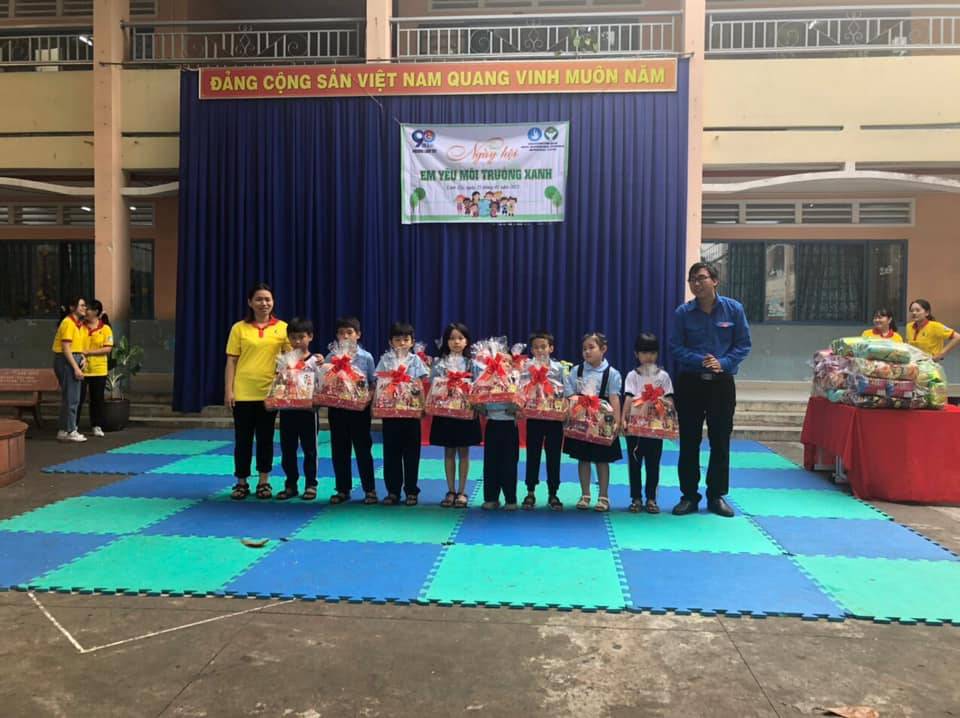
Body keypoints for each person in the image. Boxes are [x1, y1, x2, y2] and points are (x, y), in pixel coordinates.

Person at [669, 262, 752, 518]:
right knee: (689, 441)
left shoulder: (734, 309)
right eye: (692, 279)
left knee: (720, 441)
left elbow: (744, 345)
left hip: (721, 384)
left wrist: (723, 363)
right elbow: (675, 347)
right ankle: (688, 496)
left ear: (715, 280)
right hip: (690, 383)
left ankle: (716, 496)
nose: (696, 283)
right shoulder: (683, 313)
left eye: (701, 278)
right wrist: (701, 361)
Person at [225, 282, 290, 500]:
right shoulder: (239, 328)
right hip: (243, 392)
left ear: (273, 302)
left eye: (267, 299)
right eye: (259, 299)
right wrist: (228, 391)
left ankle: (264, 481)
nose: (264, 303)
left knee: (265, 438)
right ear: (250, 303)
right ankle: (241, 482)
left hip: (269, 394)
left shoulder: (283, 328)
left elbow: (293, 359)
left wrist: (315, 359)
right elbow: (231, 361)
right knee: (242, 439)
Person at [563, 332, 623, 513]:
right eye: (584, 349)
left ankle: (603, 496)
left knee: (602, 460)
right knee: (583, 458)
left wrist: (617, 422)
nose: (587, 352)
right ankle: (585, 494)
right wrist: (570, 412)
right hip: (581, 419)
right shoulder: (577, 370)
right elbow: (570, 394)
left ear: (603, 349)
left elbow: (614, 399)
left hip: (602, 421)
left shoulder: (611, 373)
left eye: (591, 347)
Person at [327, 316, 378, 505]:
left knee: (363, 449)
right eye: (341, 333)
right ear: (336, 336)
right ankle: (342, 489)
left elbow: (373, 383)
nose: (346, 336)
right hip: (337, 410)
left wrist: (368, 400)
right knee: (339, 450)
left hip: (359, 411)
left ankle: (369, 490)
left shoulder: (366, 357)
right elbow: (324, 381)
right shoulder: (331, 357)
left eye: (350, 332)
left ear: (358, 335)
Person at [430, 322, 482, 508]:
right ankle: (450, 490)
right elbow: (433, 385)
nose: (456, 342)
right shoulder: (439, 363)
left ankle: (462, 491)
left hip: (465, 412)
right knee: (449, 451)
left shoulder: (472, 364)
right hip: (445, 413)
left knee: (464, 452)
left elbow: (479, 386)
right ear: (446, 341)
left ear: (467, 341)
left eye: (460, 338)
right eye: (452, 338)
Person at [377, 321, 429, 506]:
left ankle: (411, 491)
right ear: (390, 342)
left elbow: (420, 385)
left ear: (412, 342)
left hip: (411, 414)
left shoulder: (415, 361)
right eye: (397, 340)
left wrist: (423, 406)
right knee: (391, 453)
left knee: (412, 454)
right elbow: (380, 384)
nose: (402, 343)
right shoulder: (385, 360)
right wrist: (377, 405)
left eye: (406, 339)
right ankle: (393, 491)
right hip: (391, 414)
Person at [622, 333, 673, 514]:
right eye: (644, 353)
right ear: (636, 354)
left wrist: (659, 401)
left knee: (653, 464)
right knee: (634, 464)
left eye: (652, 353)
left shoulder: (663, 376)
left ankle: (651, 498)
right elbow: (628, 398)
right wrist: (623, 419)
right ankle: (636, 498)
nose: (648, 357)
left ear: (657, 354)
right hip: (635, 428)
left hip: (655, 429)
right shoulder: (632, 376)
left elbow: (670, 401)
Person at [274, 317, 323, 502]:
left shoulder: (315, 361)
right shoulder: (284, 360)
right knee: (288, 449)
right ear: (288, 339)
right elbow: (278, 383)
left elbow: (321, 385)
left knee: (310, 449)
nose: (297, 341)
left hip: (308, 412)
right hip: (287, 411)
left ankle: (311, 484)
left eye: (301, 337)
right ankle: (290, 485)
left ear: (310, 337)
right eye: (293, 338)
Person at [521, 330, 566, 511]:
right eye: (536, 347)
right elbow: (521, 389)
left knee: (554, 455)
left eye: (543, 347)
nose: (540, 350)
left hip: (554, 418)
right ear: (531, 350)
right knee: (532, 454)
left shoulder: (559, 368)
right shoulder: (527, 367)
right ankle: (530, 491)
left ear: (551, 348)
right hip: (534, 417)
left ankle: (553, 493)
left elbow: (565, 391)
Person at [479, 345, 521, 512]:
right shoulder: (487, 378)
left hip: (510, 425)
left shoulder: (515, 378)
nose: (505, 364)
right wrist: (480, 406)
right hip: (493, 423)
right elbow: (478, 397)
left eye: (509, 362)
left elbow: (524, 400)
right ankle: (491, 498)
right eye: (502, 361)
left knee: (510, 463)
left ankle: (510, 498)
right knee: (491, 463)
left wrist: (517, 407)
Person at [52, 296, 88, 442]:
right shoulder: (68, 323)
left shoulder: (78, 324)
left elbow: (76, 346)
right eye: (81, 305)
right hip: (67, 361)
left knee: (69, 397)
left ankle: (63, 430)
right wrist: (76, 368)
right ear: (72, 307)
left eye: (85, 305)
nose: (85, 308)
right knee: (73, 398)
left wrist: (83, 358)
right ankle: (71, 430)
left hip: (73, 358)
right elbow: (66, 348)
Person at [77, 300, 114, 437]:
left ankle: (96, 425)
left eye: (88, 309)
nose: (85, 311)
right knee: (78, 398)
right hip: (81, 368)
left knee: (97, 399)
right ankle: (73, 426)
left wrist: (89, 352)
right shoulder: (80, 326)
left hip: (99, 369)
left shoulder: (105, 329)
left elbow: (108, 348)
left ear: (96, 312)